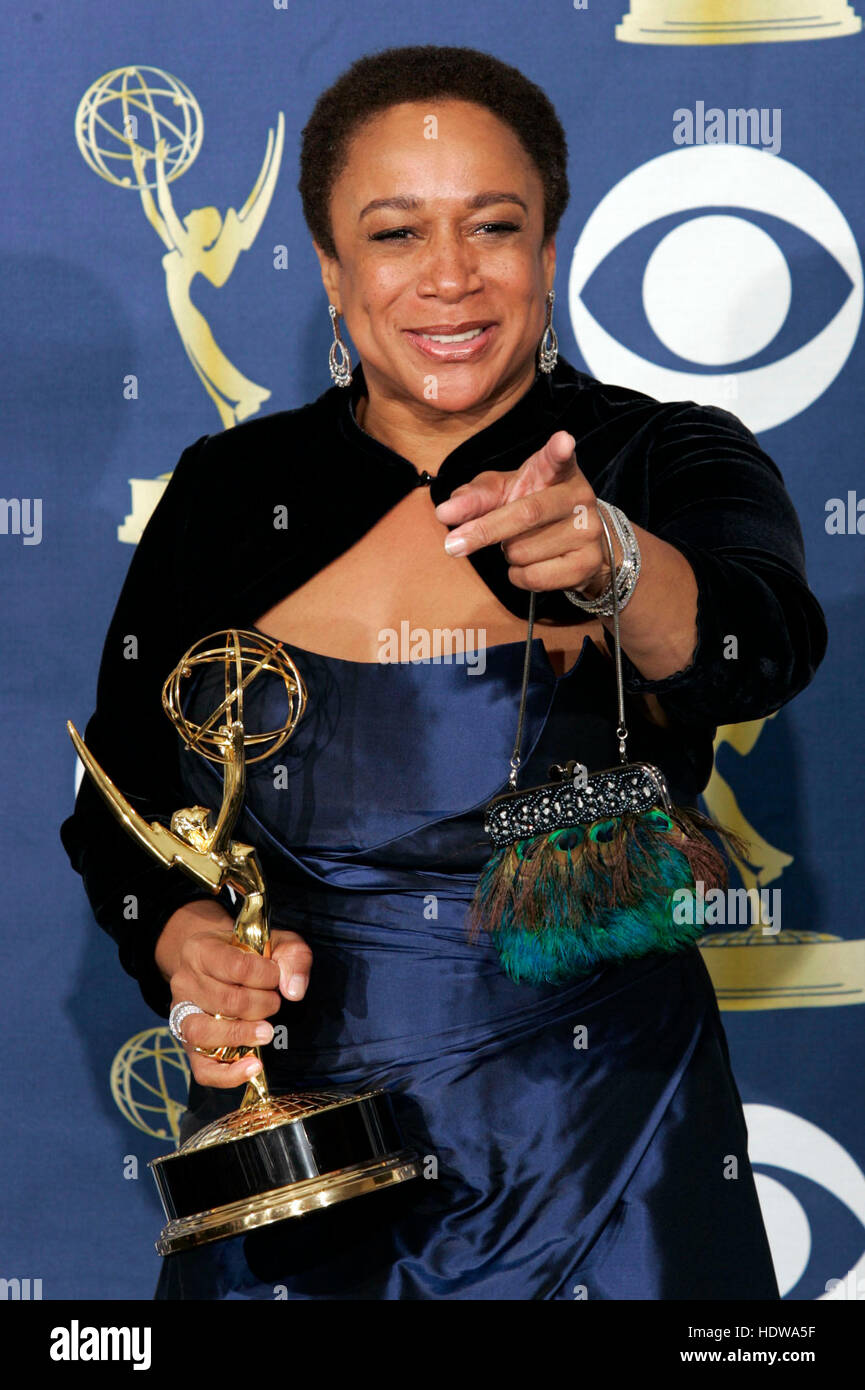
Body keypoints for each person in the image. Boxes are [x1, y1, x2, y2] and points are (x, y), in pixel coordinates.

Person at [61, 45, 827, 1301]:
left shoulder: (655, 455)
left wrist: (616, 561)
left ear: (551, 249)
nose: (452, 276)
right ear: (330, 268)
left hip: (608, 1155)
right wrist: (183, 937)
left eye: (495, 226)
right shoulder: (231, 494)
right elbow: (124, 804)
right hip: (306, 1170)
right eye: (396, 232)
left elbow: (757, 647)